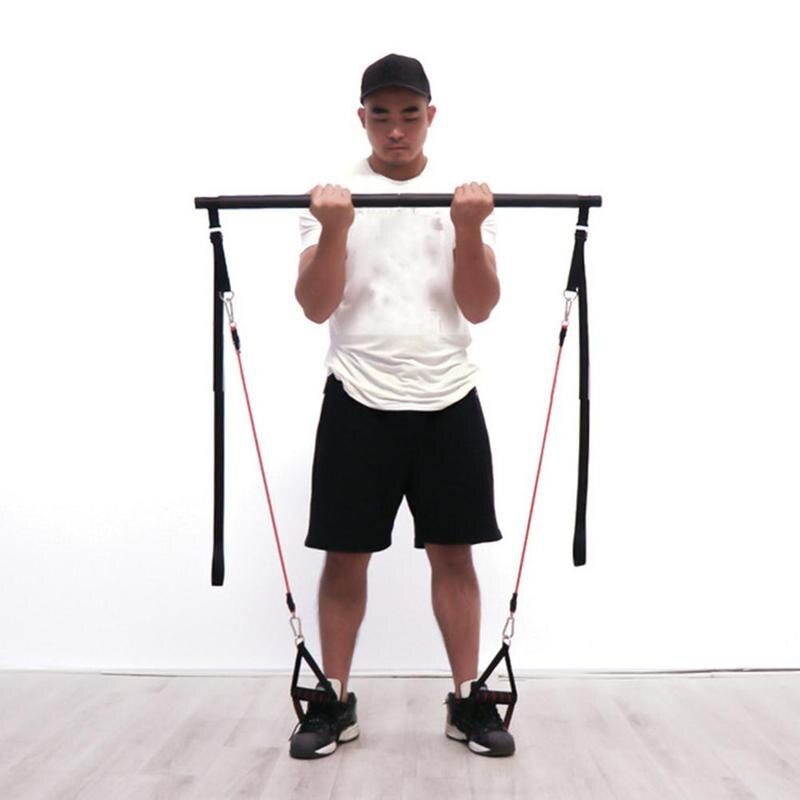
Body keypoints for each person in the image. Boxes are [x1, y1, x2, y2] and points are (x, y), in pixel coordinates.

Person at [289, 53, 514, 759]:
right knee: (345, 557)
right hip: (359, 395)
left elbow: (477, 305)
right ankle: (334, 700)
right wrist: (333, 229)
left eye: (409, 115)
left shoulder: (465, 197)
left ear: (429, 117)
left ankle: (467, 701)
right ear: (363, 118)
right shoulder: (332, 197)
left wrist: (471, 229)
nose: (395, 130)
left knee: (455, 554)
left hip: (449, 396)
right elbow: (314, 306)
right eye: (381, 115)